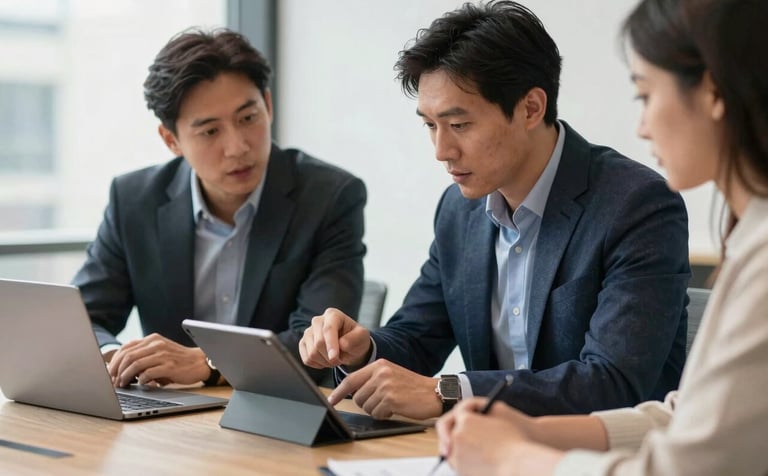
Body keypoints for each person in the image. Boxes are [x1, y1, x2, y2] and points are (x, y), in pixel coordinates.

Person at [299, 1, 690, 420]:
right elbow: (417, 338)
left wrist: (450, 391)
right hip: (486, 454)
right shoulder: (459, 211)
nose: (441, 151)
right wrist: (362, 349)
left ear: (531, 108)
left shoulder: (636, 204)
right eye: (430, 125)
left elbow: (612, 382)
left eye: (460, 125)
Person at [435, 0, 768, 474]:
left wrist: (516, 458)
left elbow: (689, 466)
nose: (641, 126)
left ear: (713, 91)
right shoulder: (752, 238)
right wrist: (531, 430)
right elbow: (688, 416)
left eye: (645, 95)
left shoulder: (745, 247)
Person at [72, 28, 367, 388]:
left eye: (248, 118)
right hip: (168, 421)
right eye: (210, 132)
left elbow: (320, 347)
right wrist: (117, 357)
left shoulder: (329, 197)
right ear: (171, 140)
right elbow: (82, 318)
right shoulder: (134, 200)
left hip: (279, 419)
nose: (237, 146)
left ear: (268, 106)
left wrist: (209, 364)